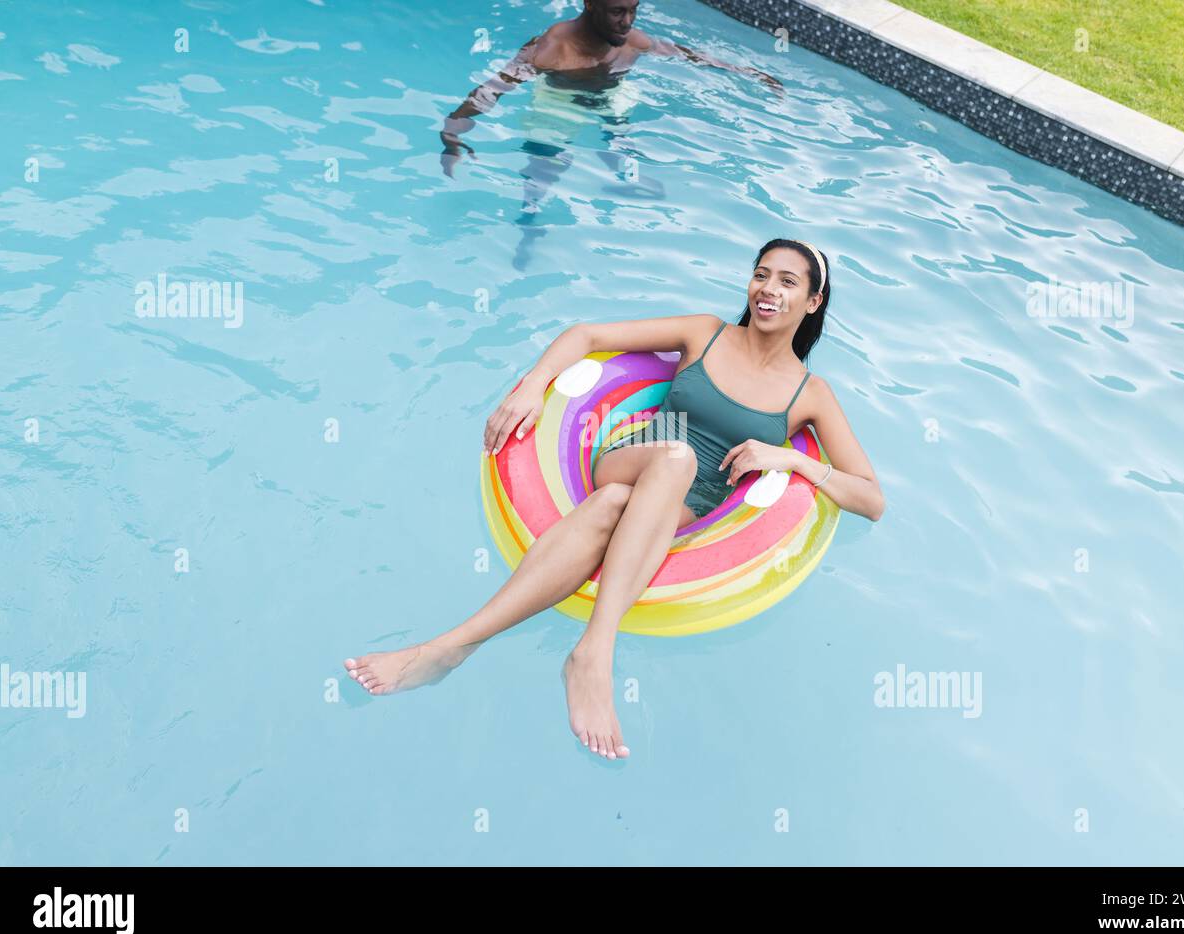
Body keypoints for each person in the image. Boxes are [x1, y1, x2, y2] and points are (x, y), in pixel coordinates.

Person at [344, 239, 885, 761]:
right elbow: (586, 334)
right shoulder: (706, 333)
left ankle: (449, 647)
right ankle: (594, 652)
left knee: (608, 509)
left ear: (813, 301)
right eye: (761, 274)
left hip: (685, 503)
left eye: (788, 281)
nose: (767, 288)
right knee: (675, 457)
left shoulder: (809, 395)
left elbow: (870, 498)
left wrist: (795, 460)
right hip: (639, 452)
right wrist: (532, 386)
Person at [439, 0, 783, 267]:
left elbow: (686, 55)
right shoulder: (550, 50)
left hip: (611, 93)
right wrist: (451, 136)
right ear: (589, 4)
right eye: (617, 12)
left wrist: (746, 72)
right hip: (561, 101)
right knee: (545, 163)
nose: (628, 21)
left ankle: (621, 173)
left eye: (634, 10)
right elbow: (491, 90)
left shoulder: (629, 40)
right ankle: (529, 224)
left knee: (621, 138)